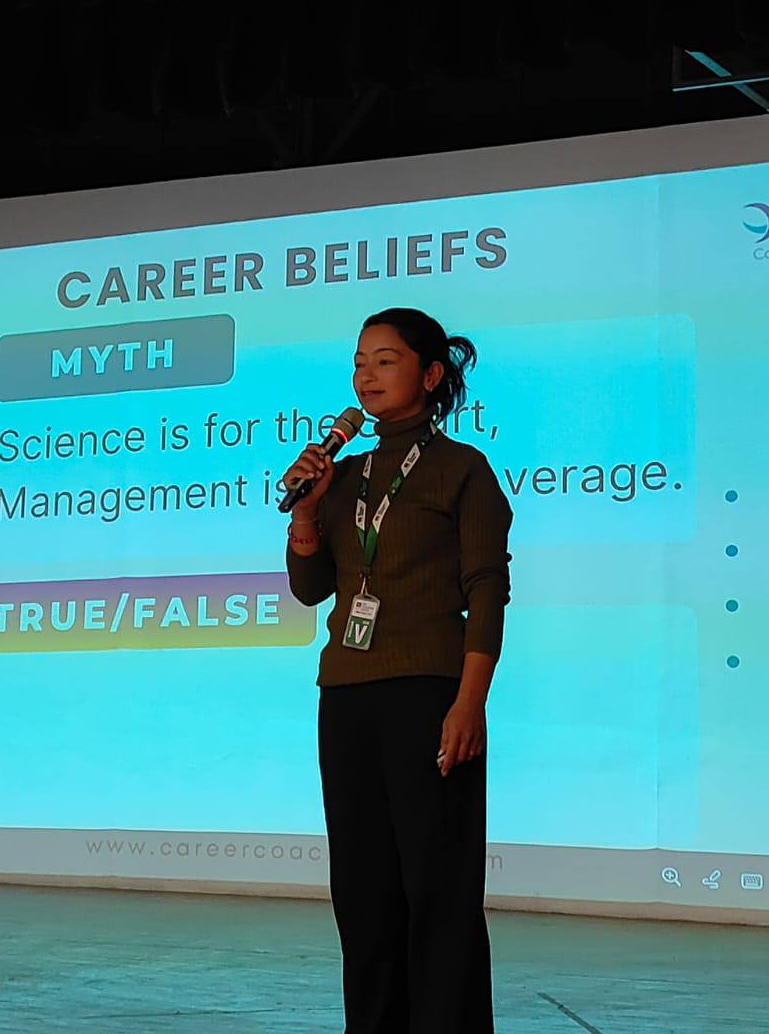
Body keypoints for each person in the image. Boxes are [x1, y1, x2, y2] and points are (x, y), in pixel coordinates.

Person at [281, 307, 513, 1034]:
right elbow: (312, 588)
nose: (367, 376)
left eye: (385, 360)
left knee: (438, 890)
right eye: (359, 363)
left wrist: (470, 702)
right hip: (347, 696)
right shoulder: (345, 474)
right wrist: (306, 514)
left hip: (429, 695)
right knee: (363, 892)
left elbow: (487, 589)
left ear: (431, 373)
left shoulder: (462, 470)